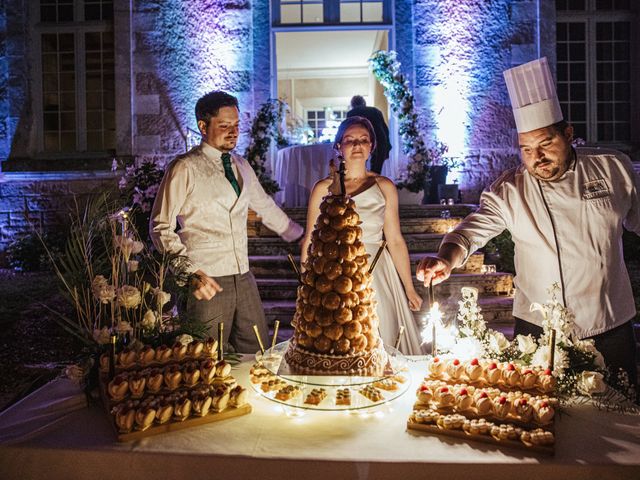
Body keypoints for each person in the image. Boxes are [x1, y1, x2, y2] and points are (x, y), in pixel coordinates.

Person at [416, 57, 639, 389]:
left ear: (568, 134)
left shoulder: (611, 169)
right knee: (539, 417)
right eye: (527, 148)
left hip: (610, 325)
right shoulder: (511, 190)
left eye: (546, 144)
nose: (538, 157)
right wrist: (445, 258)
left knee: (623, 421)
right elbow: (470, 232)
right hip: (537, 331)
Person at [150, 91, 303, 353]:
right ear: (203, 126)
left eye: (236, 125)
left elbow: (264, 205)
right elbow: (160, 226)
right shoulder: (184, 167)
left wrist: (301, 236)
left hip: (243, 275)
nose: (233, 132)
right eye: (224, 126)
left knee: (257, 352)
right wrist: (190, 274)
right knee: (203, 356)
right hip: (205, 278)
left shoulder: (241, 165)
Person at [300, 116, 425, 354]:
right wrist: (307, 284)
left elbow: (395, 240)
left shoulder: (384, 186)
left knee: (380, 331)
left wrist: (409, 288)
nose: (357, 145)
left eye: (363, 140)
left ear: (371, 147)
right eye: (350, 140)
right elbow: (310, 240)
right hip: (335, 270)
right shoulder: (322, 188)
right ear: (339, 146)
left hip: (376, 268)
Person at [346, 95, 391, 175]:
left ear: (352, 104)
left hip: (363, 141)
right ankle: (374, 183)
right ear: (364, 103)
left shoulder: (352, 113)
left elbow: (349, 130)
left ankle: (365, 184)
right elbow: (385, 129)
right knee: (376, 170)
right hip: (380, 140)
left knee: (360, 166)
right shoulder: (375, 111)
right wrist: (388, 145)